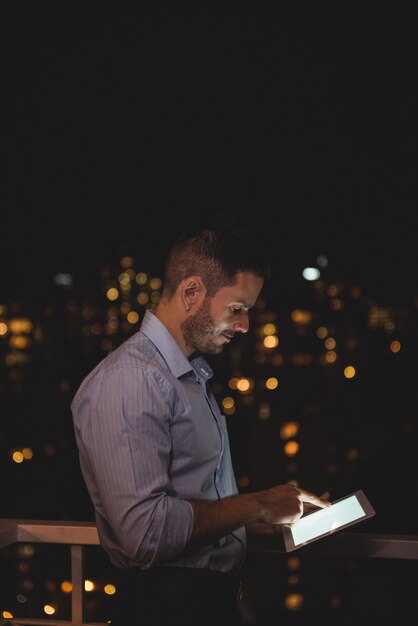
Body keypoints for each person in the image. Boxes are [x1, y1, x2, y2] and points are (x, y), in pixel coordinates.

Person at [70, 213, 331, 626]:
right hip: (167, 609)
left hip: (201, 604)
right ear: (192, 292)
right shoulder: (133, 380)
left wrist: (256, 520)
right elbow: (145, 535)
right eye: (237, 308)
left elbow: (192, 503)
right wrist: (258, 505)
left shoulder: (187, 378)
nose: (245, 325)